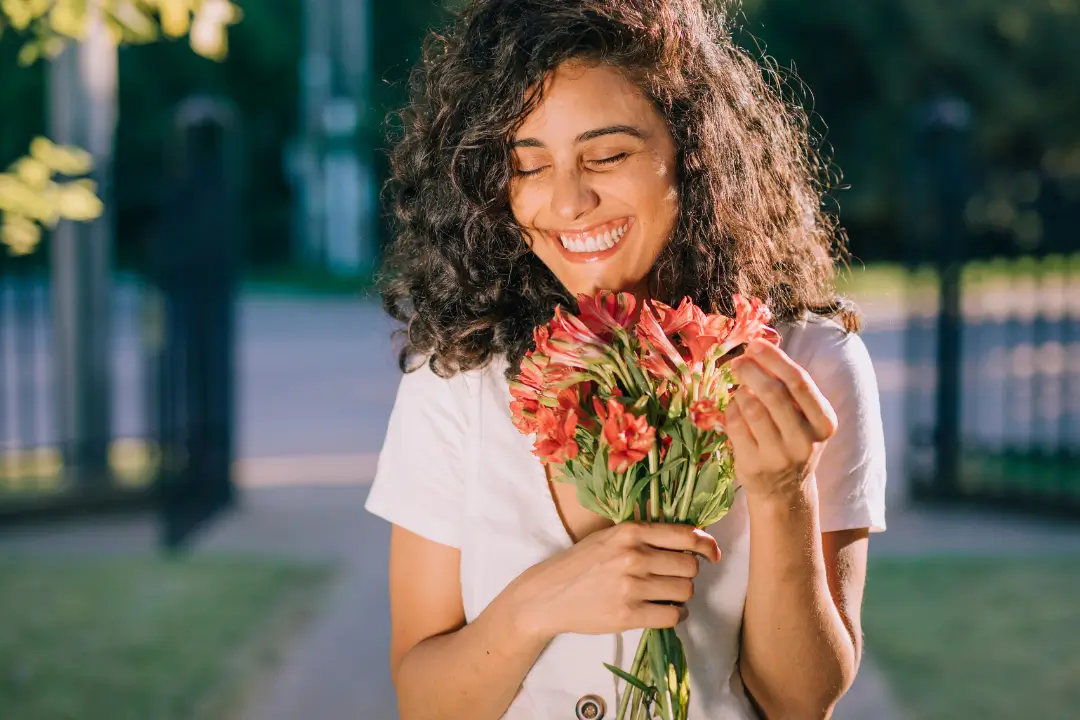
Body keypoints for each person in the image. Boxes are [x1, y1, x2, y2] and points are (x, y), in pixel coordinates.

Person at [365, 1, 887, 718]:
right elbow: (425, 701)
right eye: (527, 165)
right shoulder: (457, 375)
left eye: (607, 156)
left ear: (693, 152)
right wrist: (535, 604)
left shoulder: (811, 363)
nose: (568, 201)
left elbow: (802, 700)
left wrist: (783, 493)